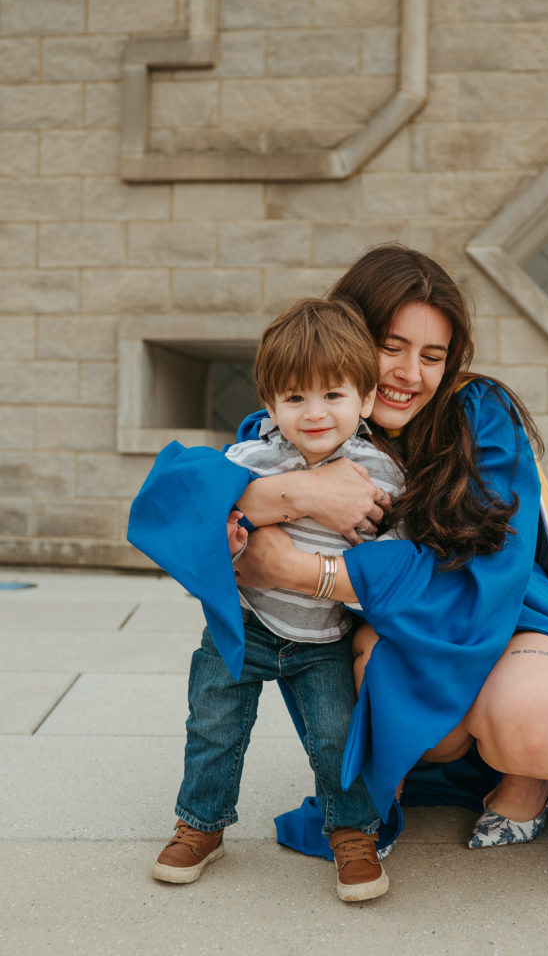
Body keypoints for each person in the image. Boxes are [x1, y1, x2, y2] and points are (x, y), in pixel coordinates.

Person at [129, 245, 548, 905]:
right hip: (380, 627)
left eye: (432, 355)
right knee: (376, 678)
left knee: (538, 718)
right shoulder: (303, 417)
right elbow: (180, 499)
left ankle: (527, 783)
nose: (409, 375)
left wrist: (302, 569)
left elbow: (478, 570)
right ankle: (375, 797)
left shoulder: (478, 415)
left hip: (497, 611)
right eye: (390, 347)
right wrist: (300, 493)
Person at [148, 297, 405, 902]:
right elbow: (199, 527)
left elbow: (395, 561)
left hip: (324, 637)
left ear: (367, 399)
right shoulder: (247, 462)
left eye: (333, 394)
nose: (314, 413)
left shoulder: (383, 475)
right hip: (243, 624)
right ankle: (200, 824)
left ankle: (352, 832)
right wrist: (230, 540)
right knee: (213, 726)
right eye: (294, 397)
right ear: (270, 404)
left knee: (337, 736)